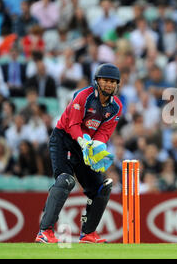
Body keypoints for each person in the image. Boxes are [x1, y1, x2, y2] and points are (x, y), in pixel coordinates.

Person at [35, 64, 123, 243]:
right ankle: (44, 231)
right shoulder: (83, 96)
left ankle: (88, 233)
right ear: (97, 81)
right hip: (64, 140)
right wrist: (83, 142)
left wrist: (96, 148)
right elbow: (73, 124)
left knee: (101, 188)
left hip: (86, 145)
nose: (109, 84)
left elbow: (104, 132)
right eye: (105, 80)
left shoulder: (116, 107)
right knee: (65, 180)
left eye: (113, 82)